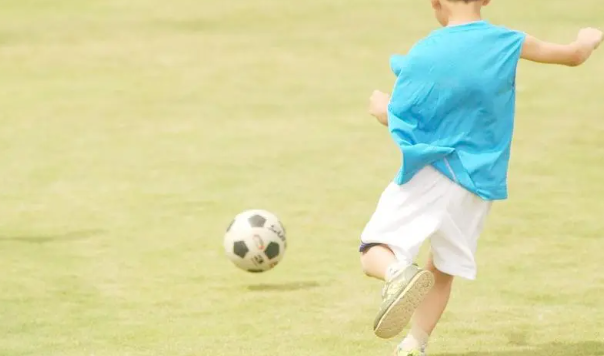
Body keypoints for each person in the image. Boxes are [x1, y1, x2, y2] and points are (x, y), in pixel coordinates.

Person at [359, 1, 603, 355]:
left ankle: (397, 274)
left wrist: (382, 109)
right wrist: (587, 39)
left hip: (434, 171)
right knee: (441, 269)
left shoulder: (428, 50)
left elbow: (402, 116)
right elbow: (573, 55)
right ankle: (414, 344)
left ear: (436, 2)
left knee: (373, 251)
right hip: (478, 185)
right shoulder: (508, 42)